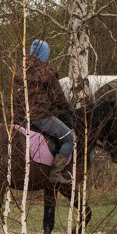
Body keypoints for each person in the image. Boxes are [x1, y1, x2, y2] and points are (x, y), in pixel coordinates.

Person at [13, 40, 74, 183]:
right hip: (40, 117)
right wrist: (65, 109)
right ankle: (56, 174)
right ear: (45, 54)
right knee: (70, 139)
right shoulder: (47, 73)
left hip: (20, 117)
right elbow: (59, 99)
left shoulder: (21, 71)